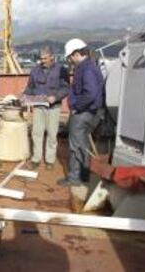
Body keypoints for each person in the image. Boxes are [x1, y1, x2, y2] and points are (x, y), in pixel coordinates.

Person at [57, 39, 104, 186]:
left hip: (84, 112)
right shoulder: (88, 66)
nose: (70, 60)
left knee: (76, 145)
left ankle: (74, 178)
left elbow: (90, 93)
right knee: (83, 144)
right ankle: (84, 174)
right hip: (90, 111)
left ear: (76, 54)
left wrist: (77, 106)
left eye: (70, 57)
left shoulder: (86, 69)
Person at [23, 46, 69, 170]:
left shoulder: (61, 70)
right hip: (38, 106)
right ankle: (36, 159)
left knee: (52, 134)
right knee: (36, 132)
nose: (42, 61)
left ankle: (50, 160)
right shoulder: (35, 71)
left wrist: (56, 97)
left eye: (45, 58)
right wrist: (24, 96)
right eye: (41, 58)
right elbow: (30, 87)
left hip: (54, 107)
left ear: (52, 57)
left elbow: (66, 88)